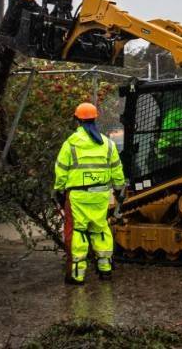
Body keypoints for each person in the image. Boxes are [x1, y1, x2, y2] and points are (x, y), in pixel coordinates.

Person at [53, 102, 125, 285]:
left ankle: (78, 276)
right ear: (95, 119)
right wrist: (118, 190)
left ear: (77, 120)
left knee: (79, 232)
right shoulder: (107, 144)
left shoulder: (71, 143)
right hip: (101, 194)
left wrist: (59, 190)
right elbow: (117, 170)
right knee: (100, 229)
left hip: (79, 196)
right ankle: (105, 270)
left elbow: (61, 170)